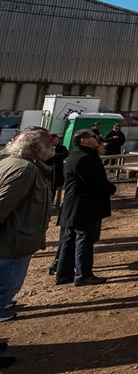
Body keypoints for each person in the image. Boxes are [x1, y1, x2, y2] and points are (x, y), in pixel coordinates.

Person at [0, 129, 54, 324]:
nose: (53, 147)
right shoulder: (25, 169)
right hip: (14, 241)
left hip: (16, 238)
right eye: (49, 144)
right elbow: (3, 204)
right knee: (7, 283)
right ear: (35, 147)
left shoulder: (12, 162)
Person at [54, 129, 116, 286]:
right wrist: (111, 188)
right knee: (84, 239)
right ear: (84, 140)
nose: (97, 139)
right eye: (93, 137)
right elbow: (95, 180)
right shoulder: (84, 158)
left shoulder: (76, 155)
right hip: (84, 205)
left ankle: (64, 273)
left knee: (69, 239)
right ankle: (83, 275)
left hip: (74, 205)